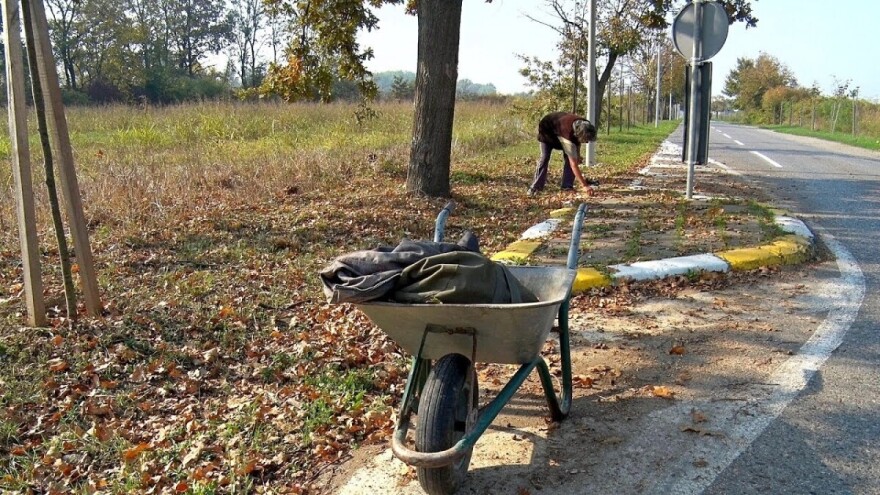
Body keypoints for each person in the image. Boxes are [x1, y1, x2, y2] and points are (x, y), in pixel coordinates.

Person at [528, 111, 598, 196]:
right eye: (586, 140)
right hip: (547, 131)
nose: (587, 142)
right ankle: (536, 187)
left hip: (561, 129)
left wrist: (578, 155)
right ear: (579, 135)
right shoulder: (568, 134)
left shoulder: (586, 126)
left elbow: (577, 142)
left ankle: (567, 187)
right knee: (545, 158)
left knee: (572, 158)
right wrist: (585, 186)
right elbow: (574, 165)